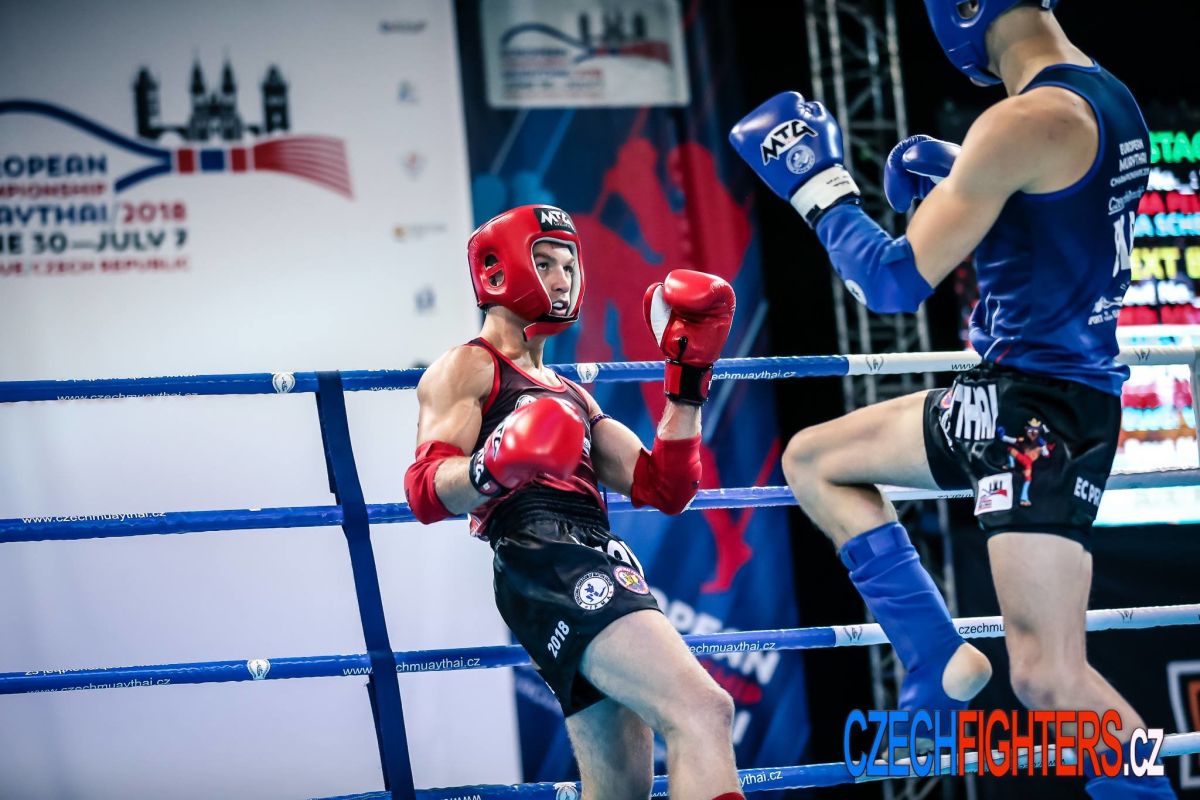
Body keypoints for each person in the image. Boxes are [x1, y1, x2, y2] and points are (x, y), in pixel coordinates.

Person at [730, 1, 1174, 796]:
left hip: (1038, 416)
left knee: (1050, 678)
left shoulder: (1021, 121)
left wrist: (819, 188)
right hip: (1009, 397)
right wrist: (957, 165)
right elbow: (1057, 211)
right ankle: (934, 655)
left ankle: (1148, 792)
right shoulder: (1111, 98)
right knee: (815, 459)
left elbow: (890, 283)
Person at [403, 205, 745, 800]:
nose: (561, 279)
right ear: (497, 269)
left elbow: (666, 487)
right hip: (543, 556)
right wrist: (496, 461)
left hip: (589, 552)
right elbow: (425, 488)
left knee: (621, 789)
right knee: (702, 710)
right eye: (543, 263)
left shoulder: (573, 396)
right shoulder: (469, 365)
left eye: (568, 265)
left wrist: (687, 380)